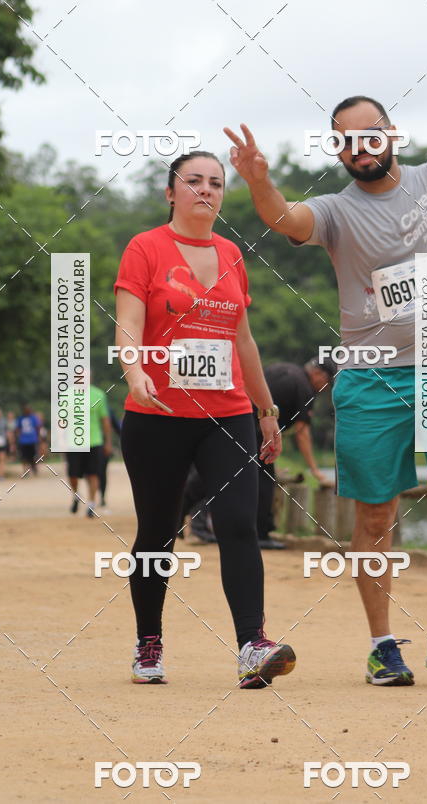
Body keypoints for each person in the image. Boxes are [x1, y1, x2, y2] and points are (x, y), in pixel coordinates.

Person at [225, 56, 427, 685]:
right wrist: (256, 182)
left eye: (372, 134)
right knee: (376, 515)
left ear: (391, 135)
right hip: (372, 376)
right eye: (349, 140)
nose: (363, 146)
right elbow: (283, 218)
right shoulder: (335, 210)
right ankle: (383, 644)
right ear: (340, 149)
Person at [114, 150, 296, 688]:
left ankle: (251, 646)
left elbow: (242, 340)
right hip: (158, 414)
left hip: (228, 413)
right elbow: (128, 324)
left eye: (215, 183)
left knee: (240, 524)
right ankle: (149, 641)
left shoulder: (232, 254)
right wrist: (134, 372)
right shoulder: (144, 248)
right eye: (192, 181)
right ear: (170, 192)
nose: (205, 191)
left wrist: (267, 410)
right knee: (158, 530)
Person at [255, 357, 337, 548]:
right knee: (264, 480)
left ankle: (201, 524)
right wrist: (314, 469)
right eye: (327, 382)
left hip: (243, 422)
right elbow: (303, 433)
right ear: (318, 374)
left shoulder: (285, 368)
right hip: (256, 430)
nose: (326, 387)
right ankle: (260, 534)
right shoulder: (304, 387)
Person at [67, 385, 112, 517]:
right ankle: (76, 496)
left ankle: (91, 503)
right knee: (73, 475)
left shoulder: (98, 394)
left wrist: (108, 442)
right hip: (73, 442)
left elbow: (105, 420)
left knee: (93, 473)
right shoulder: (66, 394)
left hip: (94, 441)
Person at [14, 405, 41, 475]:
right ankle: (26, 470)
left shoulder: (33, 418)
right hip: (23, 441)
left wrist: (37, 436)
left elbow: (38, 427)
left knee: (33, 456)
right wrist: (18, 436)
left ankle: (34, 467)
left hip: (32, 440)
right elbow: (17, 428)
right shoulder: (20, 418)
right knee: (24, 456)